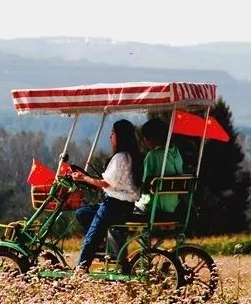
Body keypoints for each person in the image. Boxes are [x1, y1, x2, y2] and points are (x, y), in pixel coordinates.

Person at [69, 119, 143, 273]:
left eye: (113, 133)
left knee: (92, 235)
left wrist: (83, 178)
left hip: (114, 205)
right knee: (83, 212)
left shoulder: (120, 158)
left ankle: (81, 268)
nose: (110, 137)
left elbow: (105, 183)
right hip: (125, 206)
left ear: (120, 136)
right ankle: (102, 244)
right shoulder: (134, 156)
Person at [135, 117, 184, 217]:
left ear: (150, 139)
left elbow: (145, 184)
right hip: (173, 205)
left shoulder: (153, 155)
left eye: (144, 138)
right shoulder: (176, 152)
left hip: (155, 207)